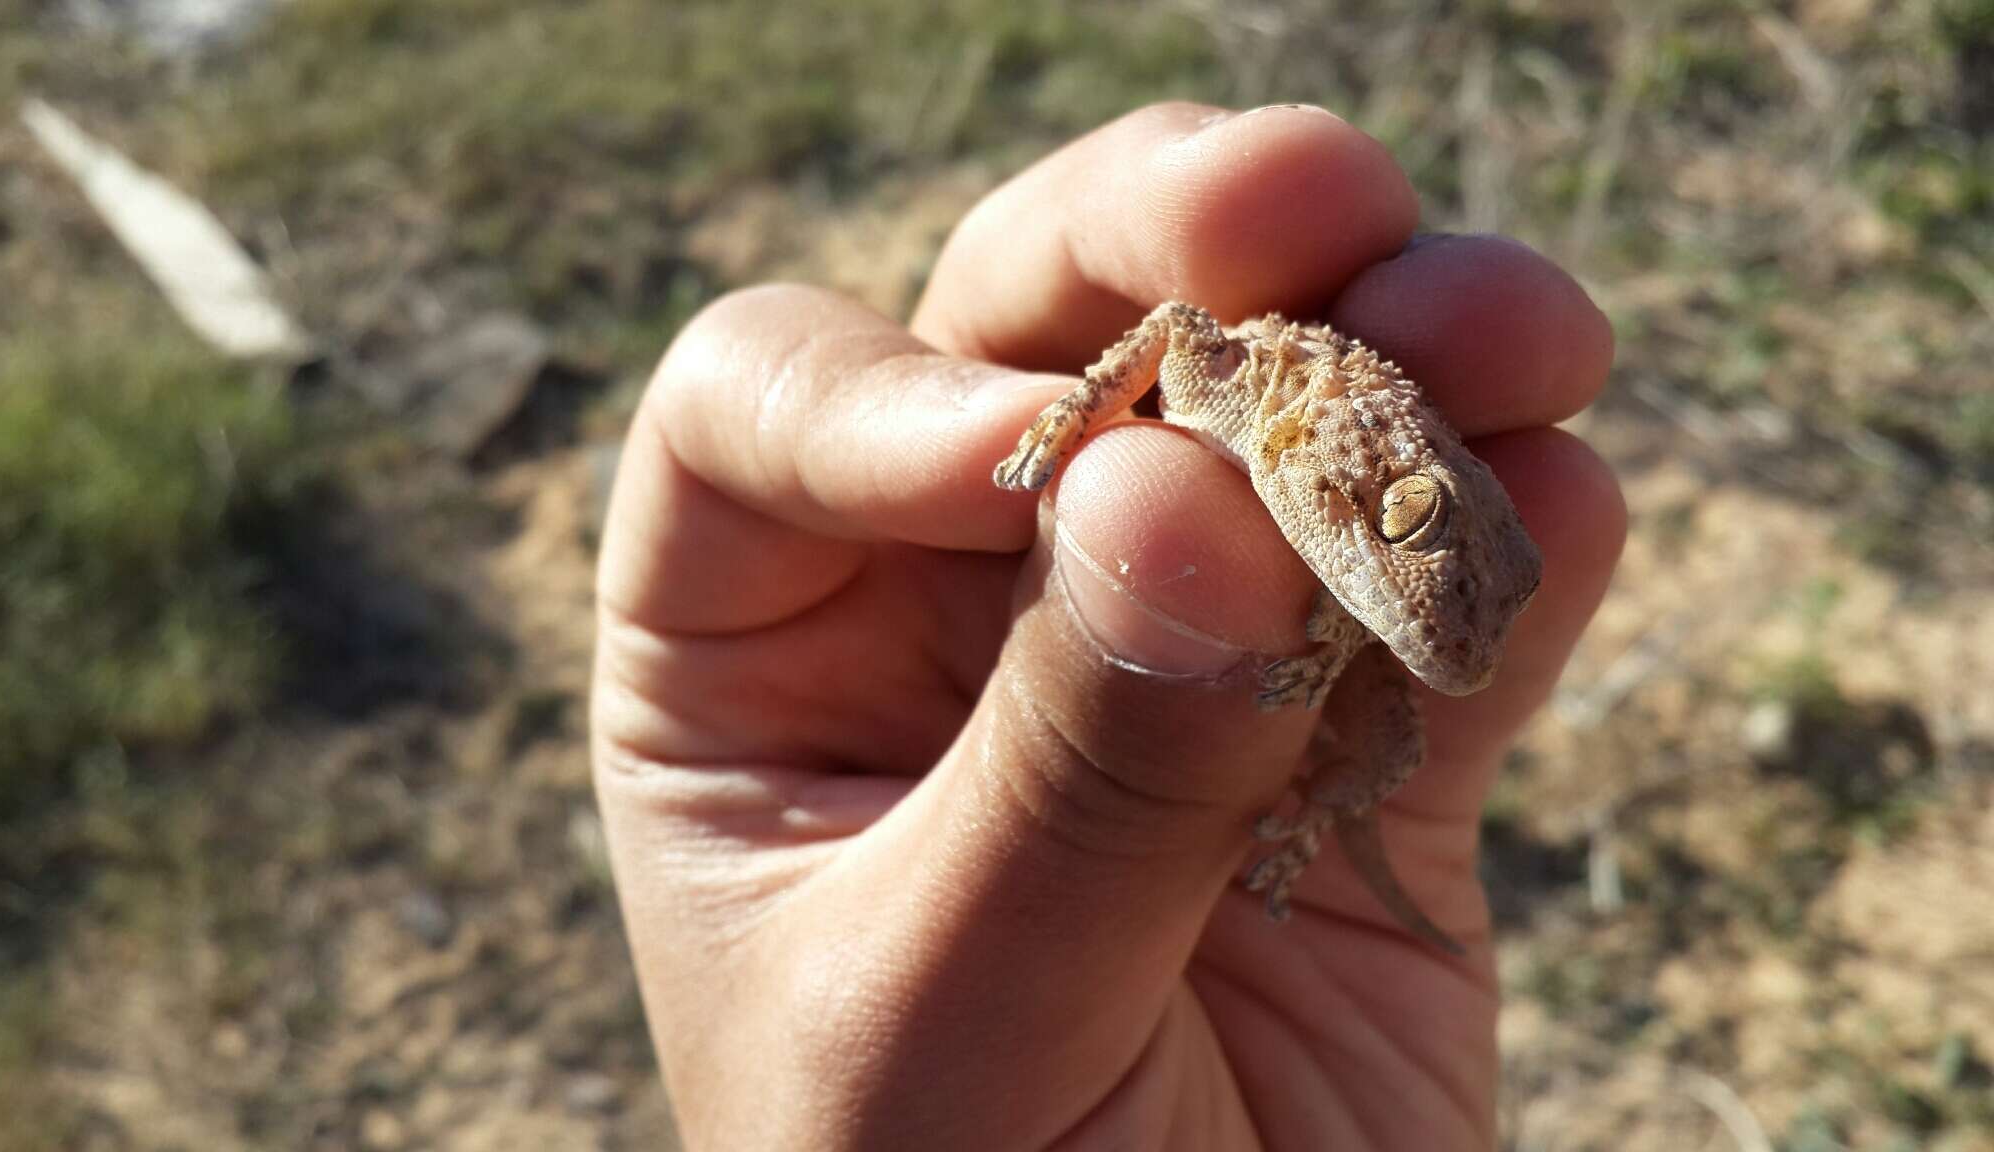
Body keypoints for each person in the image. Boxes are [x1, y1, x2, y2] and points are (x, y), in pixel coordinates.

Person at [590, 102, 1624, 1150]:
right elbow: (1178, 326)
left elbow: (1384, 605)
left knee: (1394, 730)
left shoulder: (1359, 527)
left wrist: (1339, 664)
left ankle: (1323, 800)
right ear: (1326, 450)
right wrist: (1083, 406)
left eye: (1501, 583)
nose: (1462, 648)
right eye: (1406, 518)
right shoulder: (1265, 397)